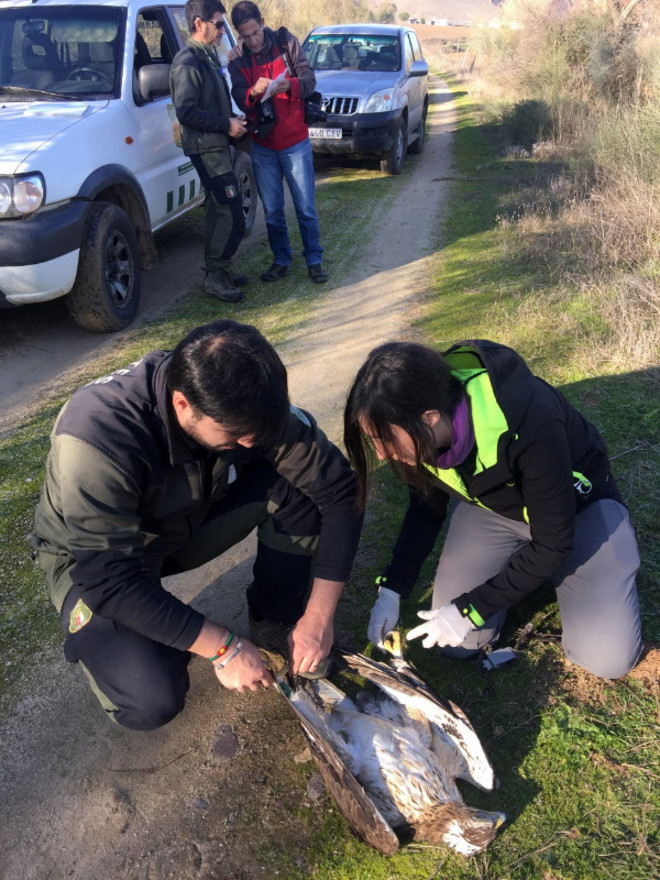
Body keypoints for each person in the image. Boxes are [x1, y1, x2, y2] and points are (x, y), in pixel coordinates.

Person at [32, 320, 362, 730]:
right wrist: (222, 647)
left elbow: (340, 492)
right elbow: (109, 579)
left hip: (187, 517)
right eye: (236, 435)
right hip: (96, 558)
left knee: (297, 490)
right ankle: (138, 640)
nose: (249, 443)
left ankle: (274, 619)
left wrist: (319, 615)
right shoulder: (98, 438)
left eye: (257, 433)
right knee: (151, 697)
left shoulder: (248, 403)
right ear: (183, 404)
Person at [344, 339, 643, 680]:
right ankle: (524, 573)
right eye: (374, 441)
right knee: (456, 644)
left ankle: (610, 543)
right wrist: (392, 589)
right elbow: (425, 512)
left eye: (387, 440)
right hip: (496, 510)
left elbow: (552, 543)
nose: (382, 455)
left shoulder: (529, 420)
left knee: (607, 659)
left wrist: (470, 610)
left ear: (430, 418)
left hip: (577, 509)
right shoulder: (421, 426)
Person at [228, 1, 328, 285]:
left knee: (305, 206)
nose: (253, 40)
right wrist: (252, 92)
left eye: (256, 32)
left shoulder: (286, 41)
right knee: (272, 211)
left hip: (295, 142)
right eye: (245, 36)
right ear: (238, 34)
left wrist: (291, 86)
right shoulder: (236, 58)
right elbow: (238, 96)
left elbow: (309, 79)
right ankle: (282, 259)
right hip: (262, 146)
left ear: (262, 21)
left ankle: (314, 258)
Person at [170, 0, 248, 302]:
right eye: (218, 24)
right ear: (199, 23)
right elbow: (186, 112)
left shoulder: (207, 57)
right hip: (206, 149)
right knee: (232, 213)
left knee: (219, 209)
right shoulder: (188, 62)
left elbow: (211, 102)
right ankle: (215, 276)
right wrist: (225, 125)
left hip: (216, 144)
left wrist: (232, 118)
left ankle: (220, 268)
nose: (222, 31)